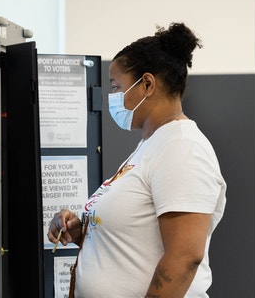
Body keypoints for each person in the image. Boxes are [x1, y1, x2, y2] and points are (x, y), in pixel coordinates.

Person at [48, 22, 226, 297]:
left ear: (146, 84)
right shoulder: (153, 145)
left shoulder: (182, 147)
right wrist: (83, 231)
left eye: (116, 86)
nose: (112, 97)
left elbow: (185, 257)